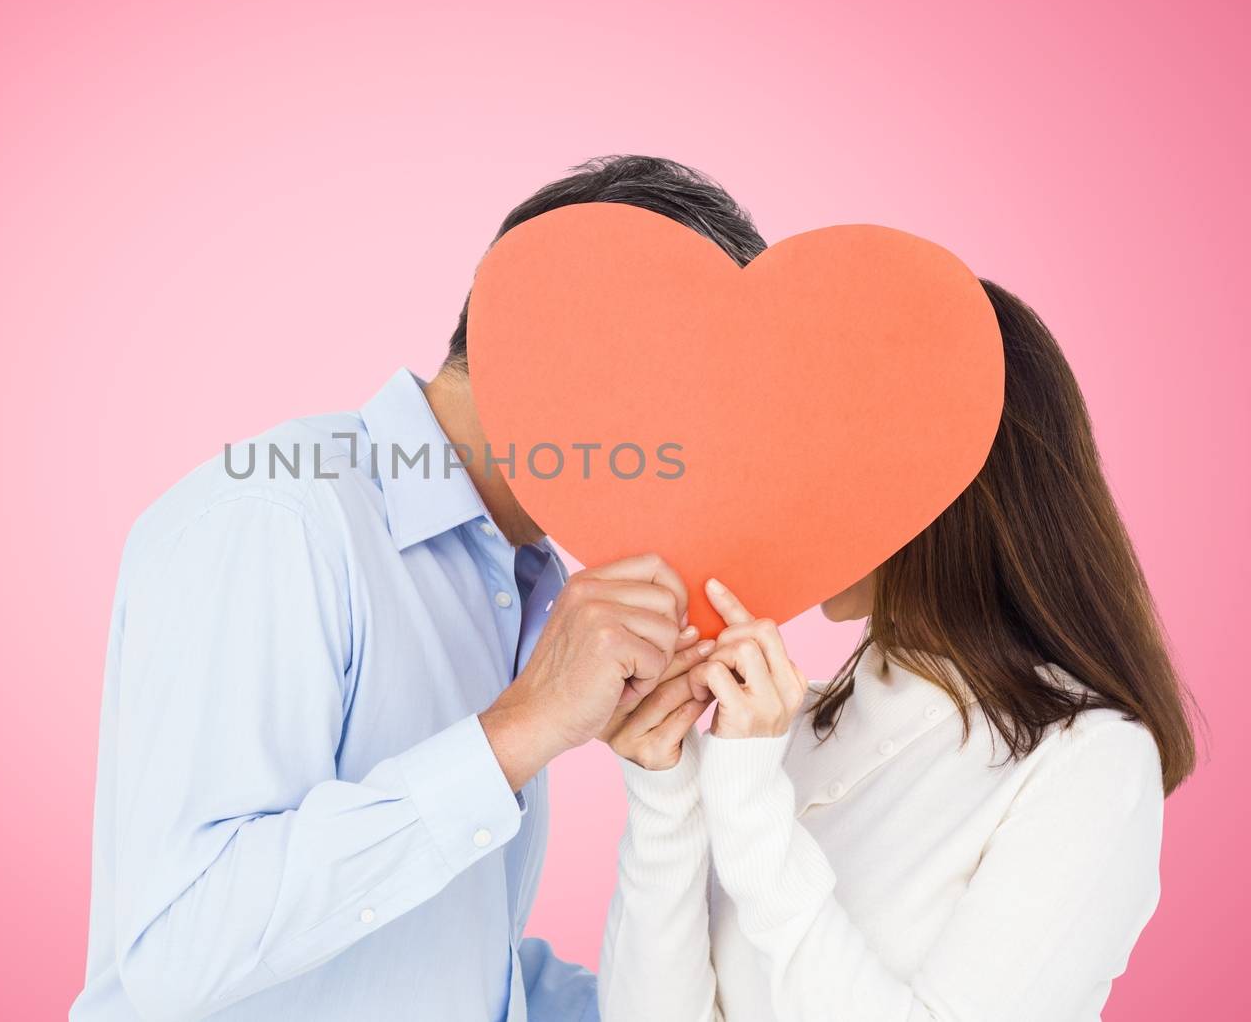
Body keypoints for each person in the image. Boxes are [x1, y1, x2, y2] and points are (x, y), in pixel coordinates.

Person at [71, 157, 768, 1021]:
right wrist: (519, 729)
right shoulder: (276, 519)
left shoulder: (519, 580)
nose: (703, 458)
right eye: (699, 400)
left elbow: (439, 962)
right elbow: (180, 946)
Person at [598, 281, 1198, 1021]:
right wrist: (667, 792)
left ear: (934, 485)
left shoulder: (1091, 760)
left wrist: (752, 807)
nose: (780, 487)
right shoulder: (786, 729)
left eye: (817, 448)